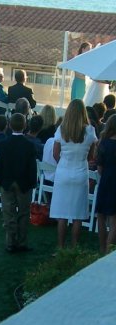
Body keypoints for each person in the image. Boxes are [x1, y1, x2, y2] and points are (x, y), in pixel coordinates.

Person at [50, 99, 97, 249]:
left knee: (62, 214)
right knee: (77, 215)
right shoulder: (90, 130)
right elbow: (91, 156)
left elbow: (55, 153)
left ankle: (60, 247)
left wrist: (63, 164)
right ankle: (74, 248)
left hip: (63, 172)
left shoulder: (62, 129)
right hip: (81, 173)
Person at [0, 113, 37, 253]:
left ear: (9, 125)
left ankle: (10, 242)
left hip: (7, 182)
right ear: (25, 126)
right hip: (24, 183)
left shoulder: (3, 144)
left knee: (8, 212)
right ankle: (22, 242)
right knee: (24, 213)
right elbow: (32, 166)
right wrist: (32, 182)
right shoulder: (29, 145)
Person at [95, 114, 116, 254]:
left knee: (101, 216)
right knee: (114, 219)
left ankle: (102, 249)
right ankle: (109, 250)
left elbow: (99, 168)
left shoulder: (103, 143)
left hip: (105, 180)